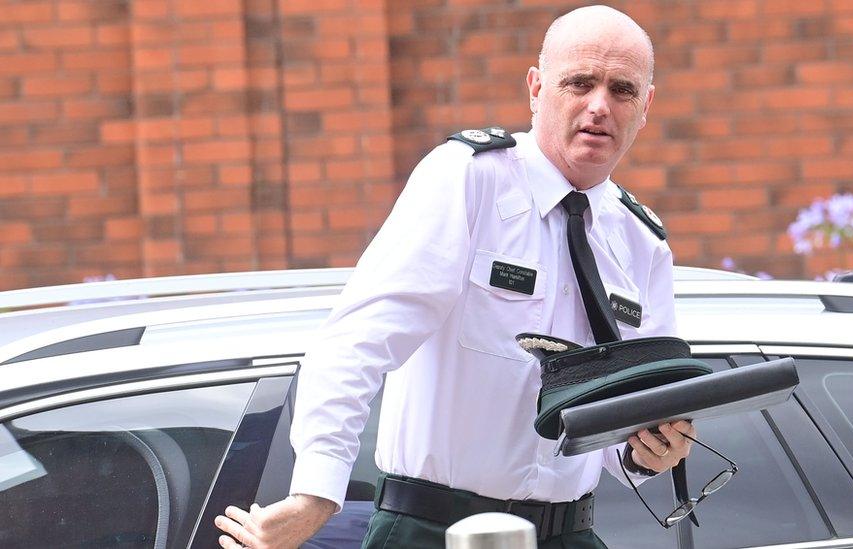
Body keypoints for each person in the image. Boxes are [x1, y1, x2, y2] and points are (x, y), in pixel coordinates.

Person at [215, 5, 695, 548]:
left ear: (647, 105)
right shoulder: (470, 179)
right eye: (579, 83)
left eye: (623, 90)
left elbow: (627, 419)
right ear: (536, 87)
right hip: (433, 529)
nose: (599, 106)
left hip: (569, 532)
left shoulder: (642, 243)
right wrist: (316, 493)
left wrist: (648, 450)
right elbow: (358, 340)